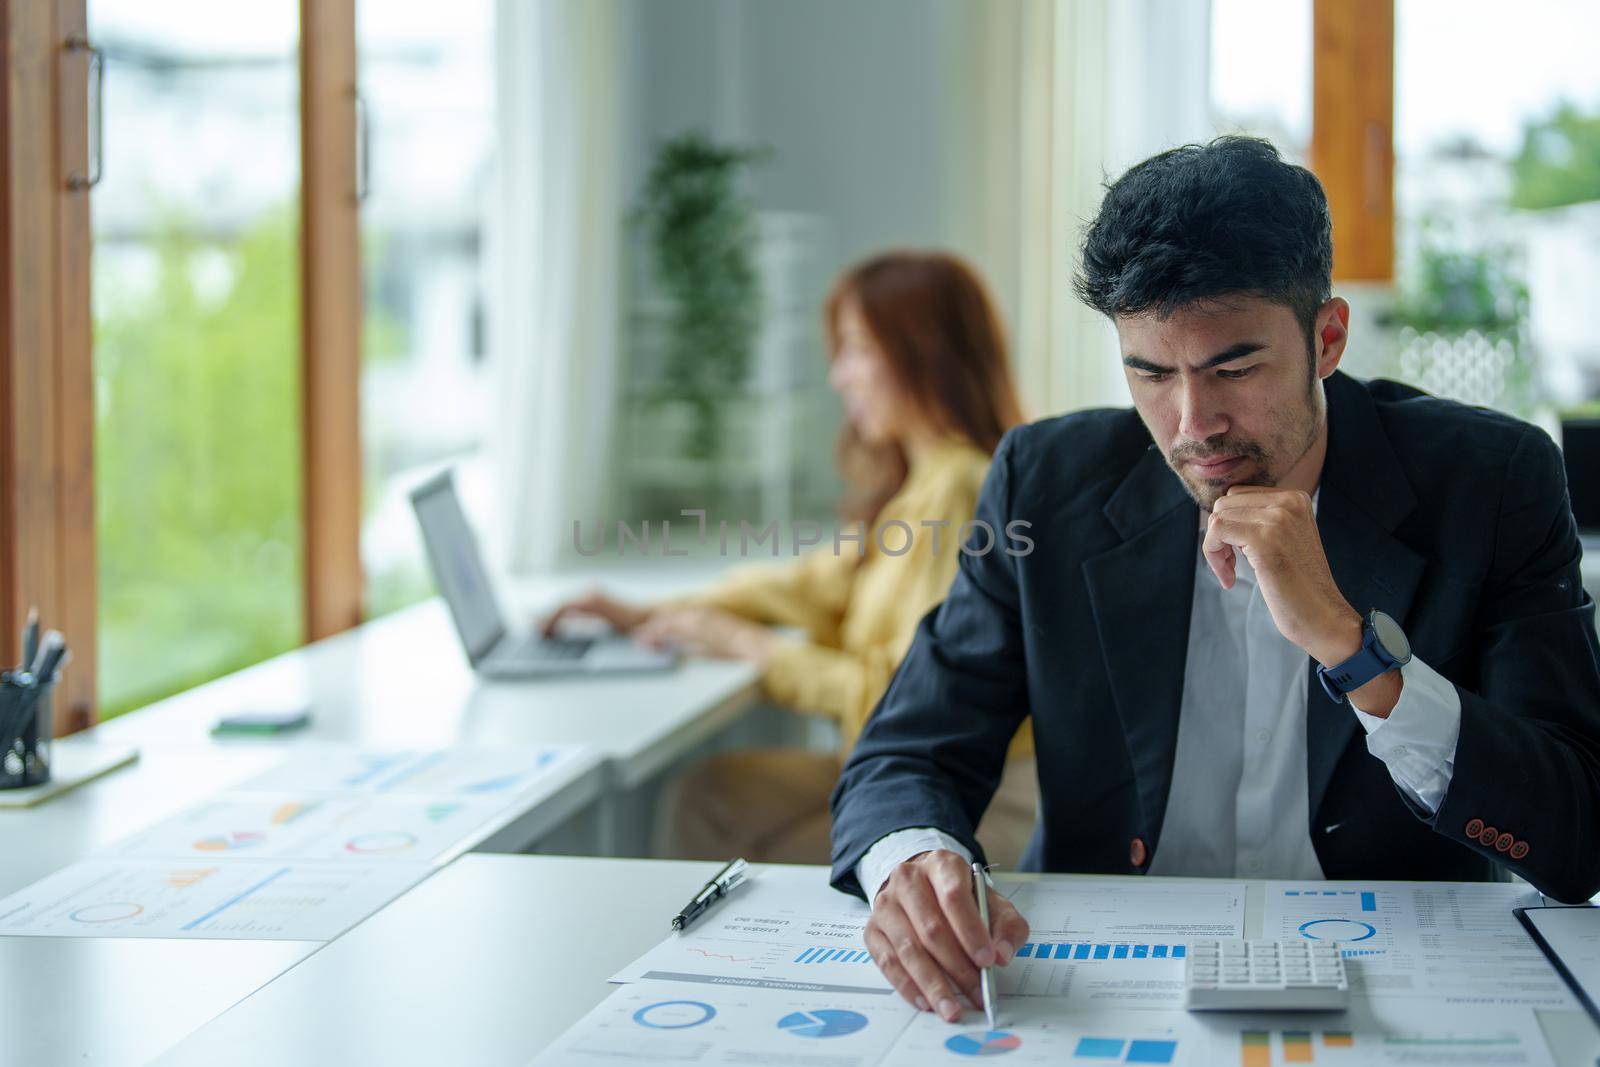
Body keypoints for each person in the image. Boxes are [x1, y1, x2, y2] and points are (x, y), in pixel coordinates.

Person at [828, 136, 1600, 1024]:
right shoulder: (1047, 478)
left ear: (1327, 338)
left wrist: (1358, 655)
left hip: (1399, 988)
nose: (1193, 424)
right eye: (1150, 372)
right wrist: (913, 860)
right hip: (1099, 993)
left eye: (1234, 367)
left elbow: (1578, 835)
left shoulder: (1491, 480)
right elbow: (906, 750)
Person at [545, 250, 1037, 865]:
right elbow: (807, 586)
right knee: (709, 796)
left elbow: (906, 694)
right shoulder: (919, 482)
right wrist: (645, 612)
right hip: (902, 770)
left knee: (733, 839)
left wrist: (753, 647)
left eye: (857, 349)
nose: (839, 376)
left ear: (922, 352)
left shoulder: (961, 486)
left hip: (971, 795)